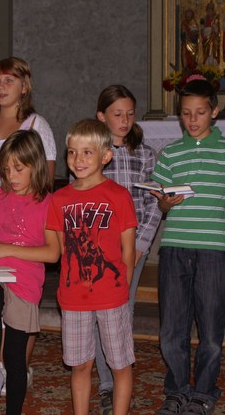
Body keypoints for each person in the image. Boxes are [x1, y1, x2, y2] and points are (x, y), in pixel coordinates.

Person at [152, 78, 225, 415]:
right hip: (174, 248)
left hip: (213, 250)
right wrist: (166, 203)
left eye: (199, 112)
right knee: (172, 328)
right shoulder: (170, 153)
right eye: (186, 113)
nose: (192, 119)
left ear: (213, 112)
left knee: (210, 328)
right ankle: (177, 389)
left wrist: (220, 222)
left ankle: (205, 392)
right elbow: (161, 202)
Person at [0, 56, 57, 391]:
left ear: (24, 86)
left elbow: (44, 181)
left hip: (22, 231)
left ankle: (17, 367)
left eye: (9, 81)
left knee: (20, 309)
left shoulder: (36, 125)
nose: (1, 87)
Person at [46, 119, 138, 415]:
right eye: (73, 152)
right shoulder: (59, 199)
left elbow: (128, 250)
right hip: (74, 298)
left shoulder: (119, 196)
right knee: (80, 365)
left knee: (120, 364)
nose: (78, 160)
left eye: (87, 152)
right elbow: (61, 251)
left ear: (105, 156)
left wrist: (123, 288)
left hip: (111, 296)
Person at [0, 130, 60, 415]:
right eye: (7, 169)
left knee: (14, 355)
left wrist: (6, 249)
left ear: (35, 165)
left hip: (24, 281)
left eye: (18, 169)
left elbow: (52, 253)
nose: (11, 176)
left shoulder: (47, 203)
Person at [93, 85, 162, 414]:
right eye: (117, 114)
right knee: (98, 312)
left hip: (132, 247)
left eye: (130, 114)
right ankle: (107, 384)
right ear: (101, 116)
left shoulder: (144, 153)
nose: (124, 120)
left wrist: (141, 245)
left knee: (122, 312)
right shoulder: (93, 152)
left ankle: (120, 378)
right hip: (98, 247)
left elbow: (153, 203)